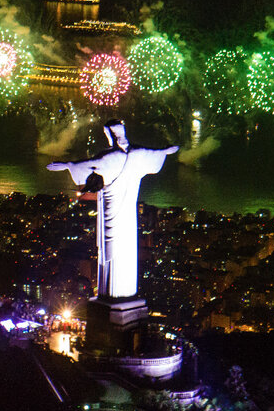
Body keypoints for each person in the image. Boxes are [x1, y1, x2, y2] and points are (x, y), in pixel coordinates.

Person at [47, 120, 178, 299]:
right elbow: (153, 154)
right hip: (126, 211)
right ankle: (119, 292)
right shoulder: (136, 154)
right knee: (121, 246)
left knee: (111, 245)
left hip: (112, 206)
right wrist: (165, 152)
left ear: (110, 136)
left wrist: (68, 165)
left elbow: (89, 165)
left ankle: (111, 292)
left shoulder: (111, 157)